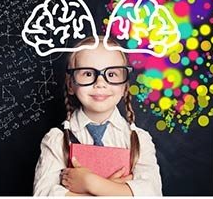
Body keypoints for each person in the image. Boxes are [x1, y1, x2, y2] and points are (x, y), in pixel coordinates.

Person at [33, 37, 163, 196]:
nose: (100, 83)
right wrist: (116, 190)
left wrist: (90, 183)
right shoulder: (57, 141)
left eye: (112, 74)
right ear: (70, 84)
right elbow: (43, 195)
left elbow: (151, 194)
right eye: (88, 73)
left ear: (124, 86)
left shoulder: (139, 141)